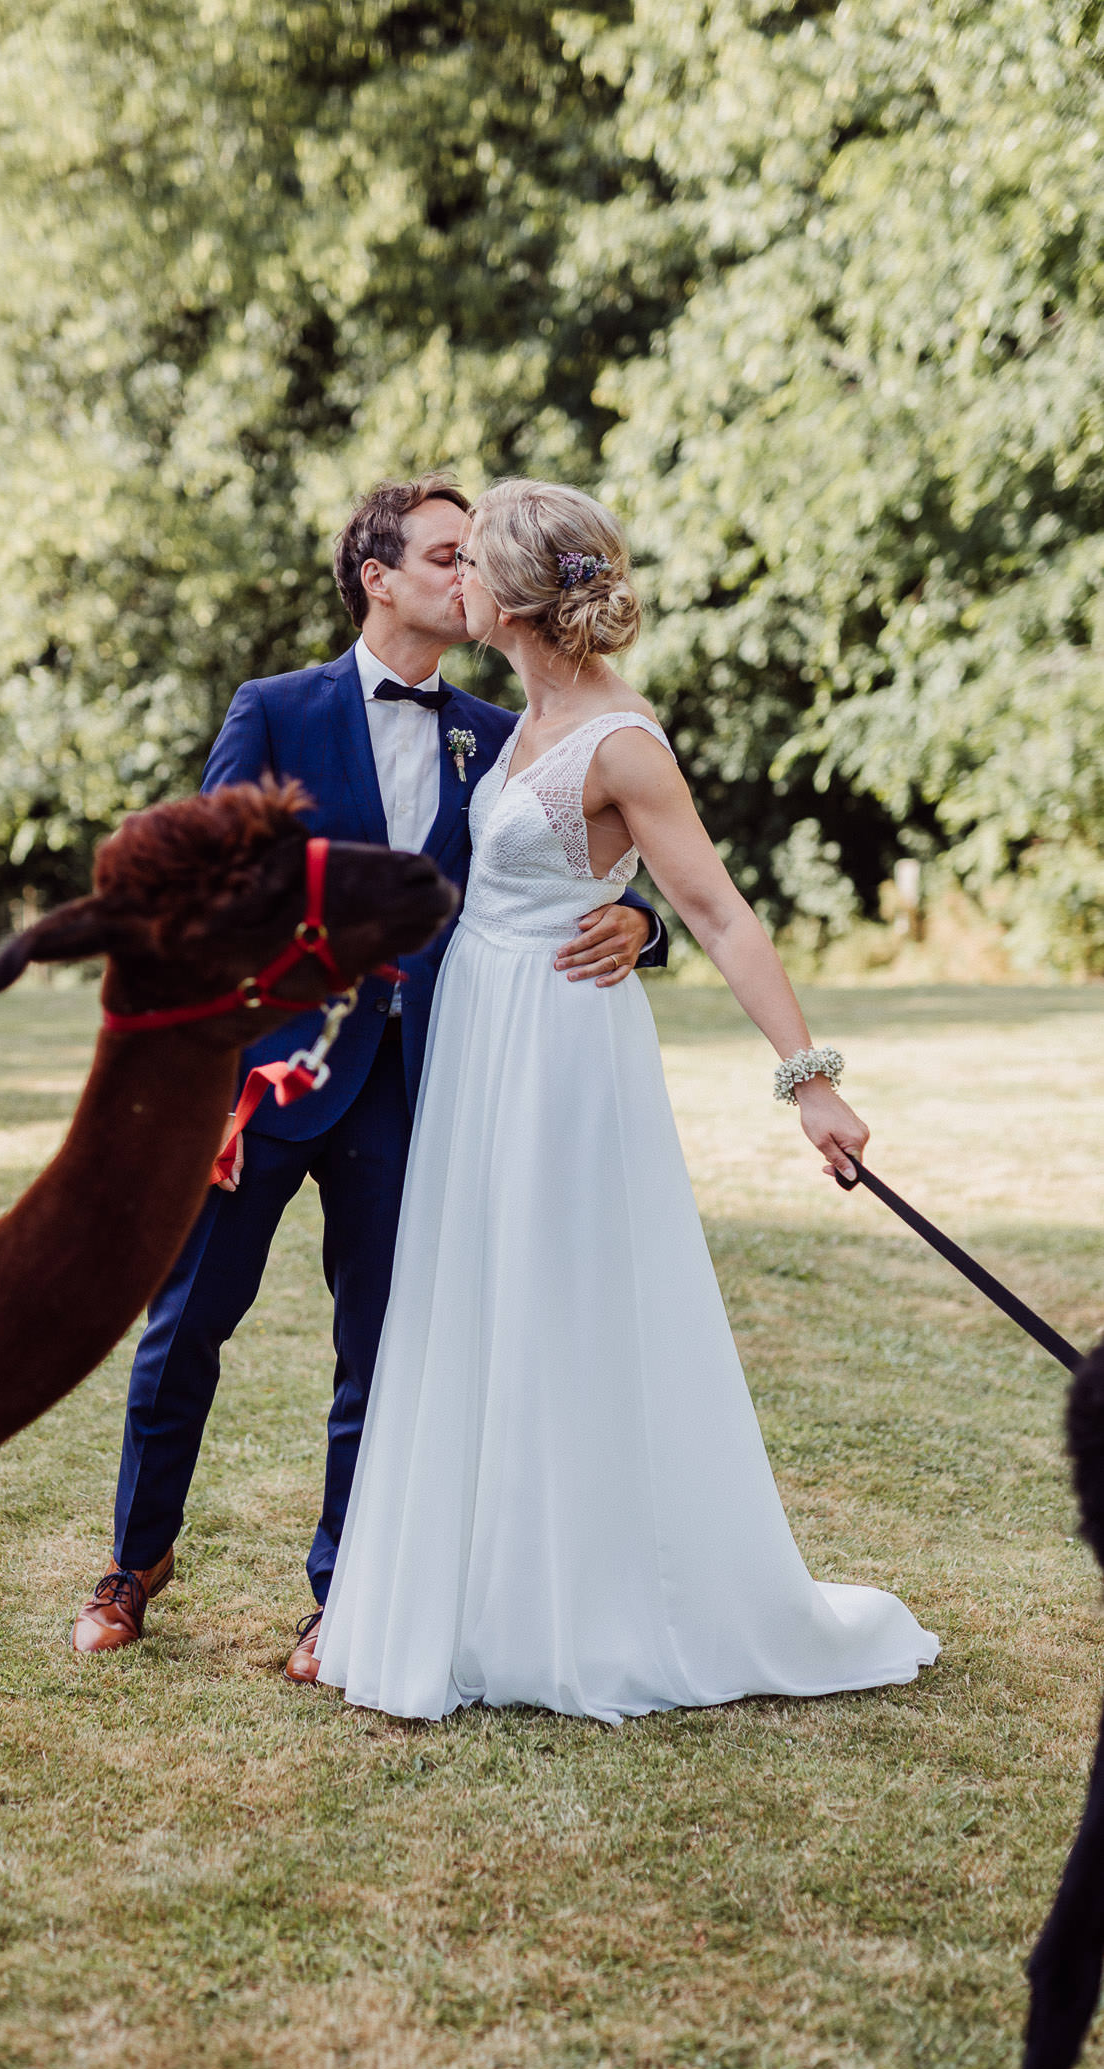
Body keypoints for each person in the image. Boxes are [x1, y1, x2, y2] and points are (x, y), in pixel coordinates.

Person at [314, 478, 938, 1722]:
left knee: (557, 1300)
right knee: (477, 1300)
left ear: (521, 596)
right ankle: (478, 1594)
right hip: (482, 1036)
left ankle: (580, 1610)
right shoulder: (517, 725)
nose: (458, 580)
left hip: (557, 1047)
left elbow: (716, 909)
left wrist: (808, 1084)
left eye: (473, 563)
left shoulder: (621, 742)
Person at [70, 474, 670, 1673]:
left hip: (420, 1085)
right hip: (266, 1079)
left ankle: (343, 1591)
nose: (471, 572)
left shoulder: (506, 736)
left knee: (384, 1345)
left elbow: (586, 851)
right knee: (186, 1325)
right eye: (446, 554)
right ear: (377, 576)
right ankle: (134, 1562)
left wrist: (642, 922)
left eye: (477, 556)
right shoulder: (276, 710)